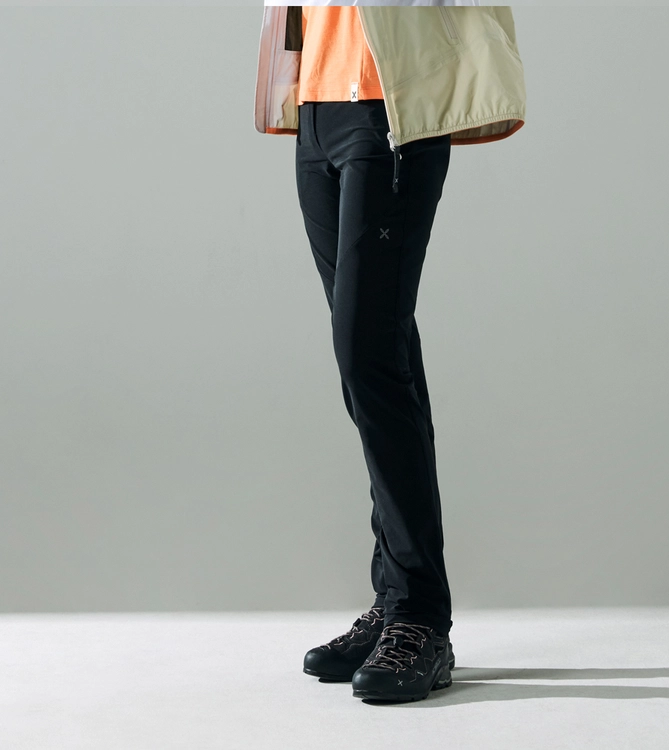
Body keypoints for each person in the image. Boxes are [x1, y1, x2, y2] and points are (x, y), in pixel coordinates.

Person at [254, 3, 526, 703]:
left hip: (390, 106)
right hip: (316, 106)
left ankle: (421, 616)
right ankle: (395, 599)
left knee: (367, 353)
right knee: (383, 349)